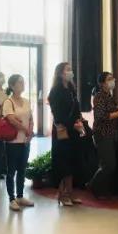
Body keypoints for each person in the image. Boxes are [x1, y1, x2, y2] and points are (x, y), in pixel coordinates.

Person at [47, 62, 85, 207]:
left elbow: (76, 108)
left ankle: (70, 193)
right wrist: (72, 124)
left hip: (74, 130)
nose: (71, 72)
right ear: (60, 73)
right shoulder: (55, 91)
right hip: (62, 130)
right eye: (68, 69)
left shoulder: (71, 89)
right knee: (63, 163)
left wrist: (79, 120)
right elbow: (57, 114)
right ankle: (62, 195)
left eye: (71, 69)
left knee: (72, 161)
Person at [88, 72, 118, 199]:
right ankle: (93, 186)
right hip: (102, 133)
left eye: (112, 78)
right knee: (108, 165)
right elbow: (100, 116)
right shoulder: (99, 97)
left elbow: (112, 111)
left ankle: (104, 189)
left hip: (111, 133)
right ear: (102, 83)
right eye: (109, 79)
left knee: (109, 164)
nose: (113, 81)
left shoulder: (109, 96)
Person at [2, 74, 35, 212]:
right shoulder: (8, 102)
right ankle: (12, 198)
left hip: (25, 141)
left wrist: (30, 131)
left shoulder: (26, 101)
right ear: (12, 85)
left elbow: (31, 118)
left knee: (22, 169)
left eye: (23, 82)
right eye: (20, 82)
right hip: (13, 141)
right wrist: (25, 130)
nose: (23, 84)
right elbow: (11, 120)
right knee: (11, 170)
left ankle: (20, 196)